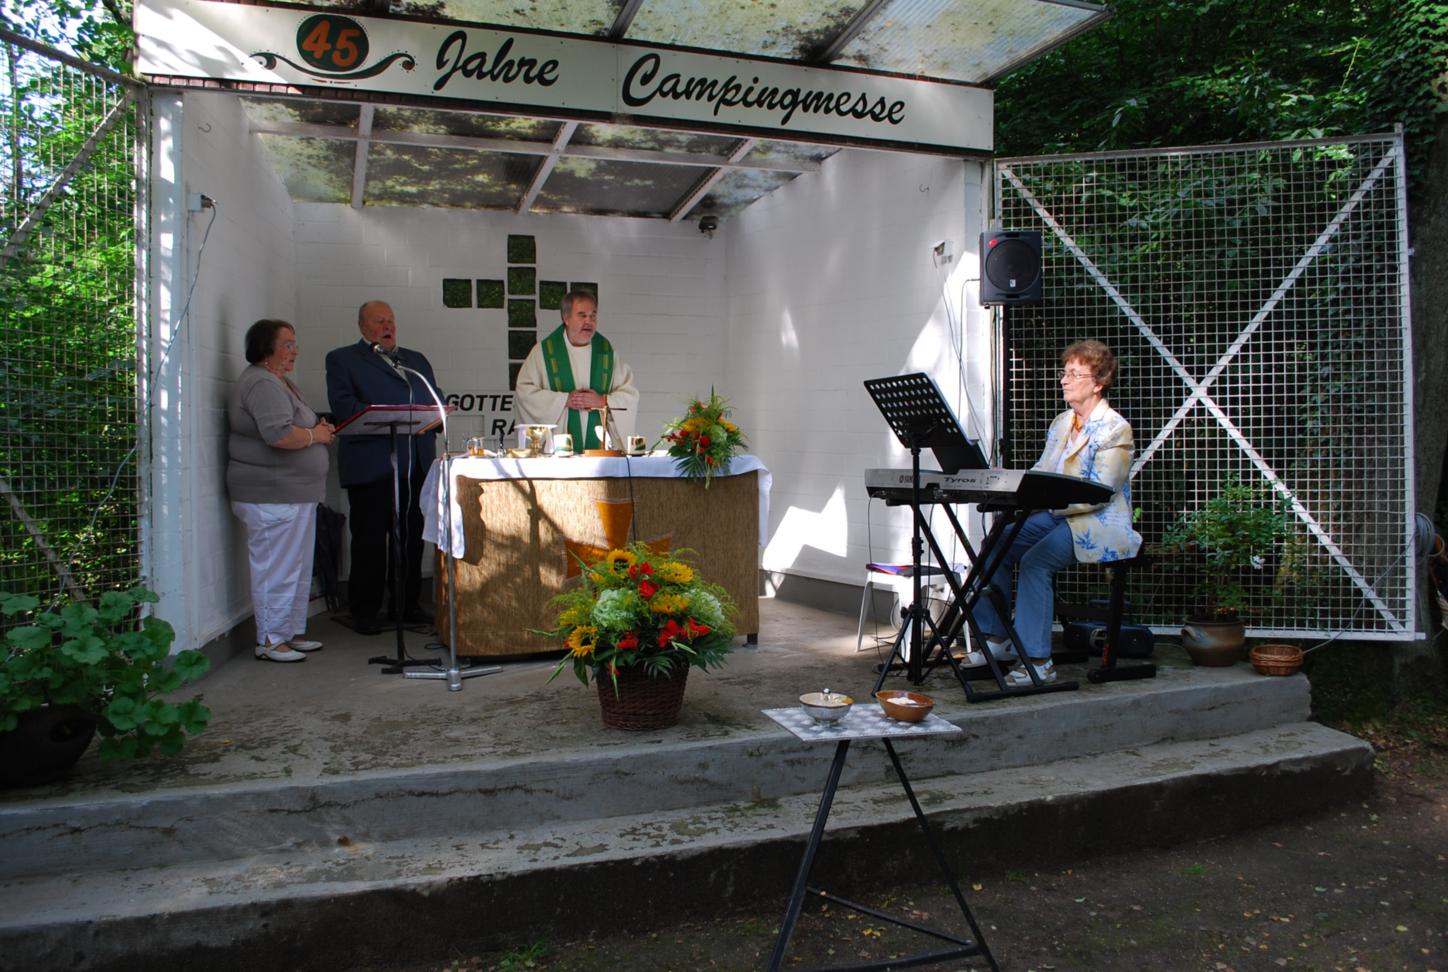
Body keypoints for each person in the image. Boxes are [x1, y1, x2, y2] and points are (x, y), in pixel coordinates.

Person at [968, 339, 1141, 685]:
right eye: (1065, 373)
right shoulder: (1062, 422)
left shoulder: (1116, 429)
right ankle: (996, 637)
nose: (1064, 380)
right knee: (996, 543)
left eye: (1075, 374)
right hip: (1057, 513)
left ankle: (1037, 661)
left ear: (1099, 381)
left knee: (1036, 561)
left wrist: (1043, 501)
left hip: (1099, 521)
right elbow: (1043, 470)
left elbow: (1101, 492)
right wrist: (1012, 488)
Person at [325, 300, 441, 635]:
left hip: (415, 464)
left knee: (411, 539)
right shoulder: (343, 359)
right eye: (379, 321)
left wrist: (437, 413)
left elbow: (434, 398)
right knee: (371, 540)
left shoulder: (415, 361)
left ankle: (407, 606)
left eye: (391, 320)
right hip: (373, 465)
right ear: (362, 326)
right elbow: (345, 407)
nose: (387, 327)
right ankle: (365, 610)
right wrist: (394, 413)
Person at [227, 319, 335, 663]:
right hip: (273, 494)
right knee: (277, 566)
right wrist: (316, 436)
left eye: (294, 343)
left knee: (297, 567)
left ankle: (289, 632)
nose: (295, 351)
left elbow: (295, 426)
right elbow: (278, 435)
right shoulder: (261, 383)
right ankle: (271, 639)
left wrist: (317, 430)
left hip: (295, 494)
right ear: (266, 348)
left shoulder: (279, 382)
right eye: (287, 344)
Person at [515, 290, 639, 450]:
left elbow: (630, 395)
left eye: (593, 316)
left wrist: (603, 401)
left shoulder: (606, 353)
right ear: (566, 318)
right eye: (582, 315)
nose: (589, 321)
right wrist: (563, 400)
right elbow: (524, 392)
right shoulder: (544, 353)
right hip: (558, 455)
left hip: (600, 453)